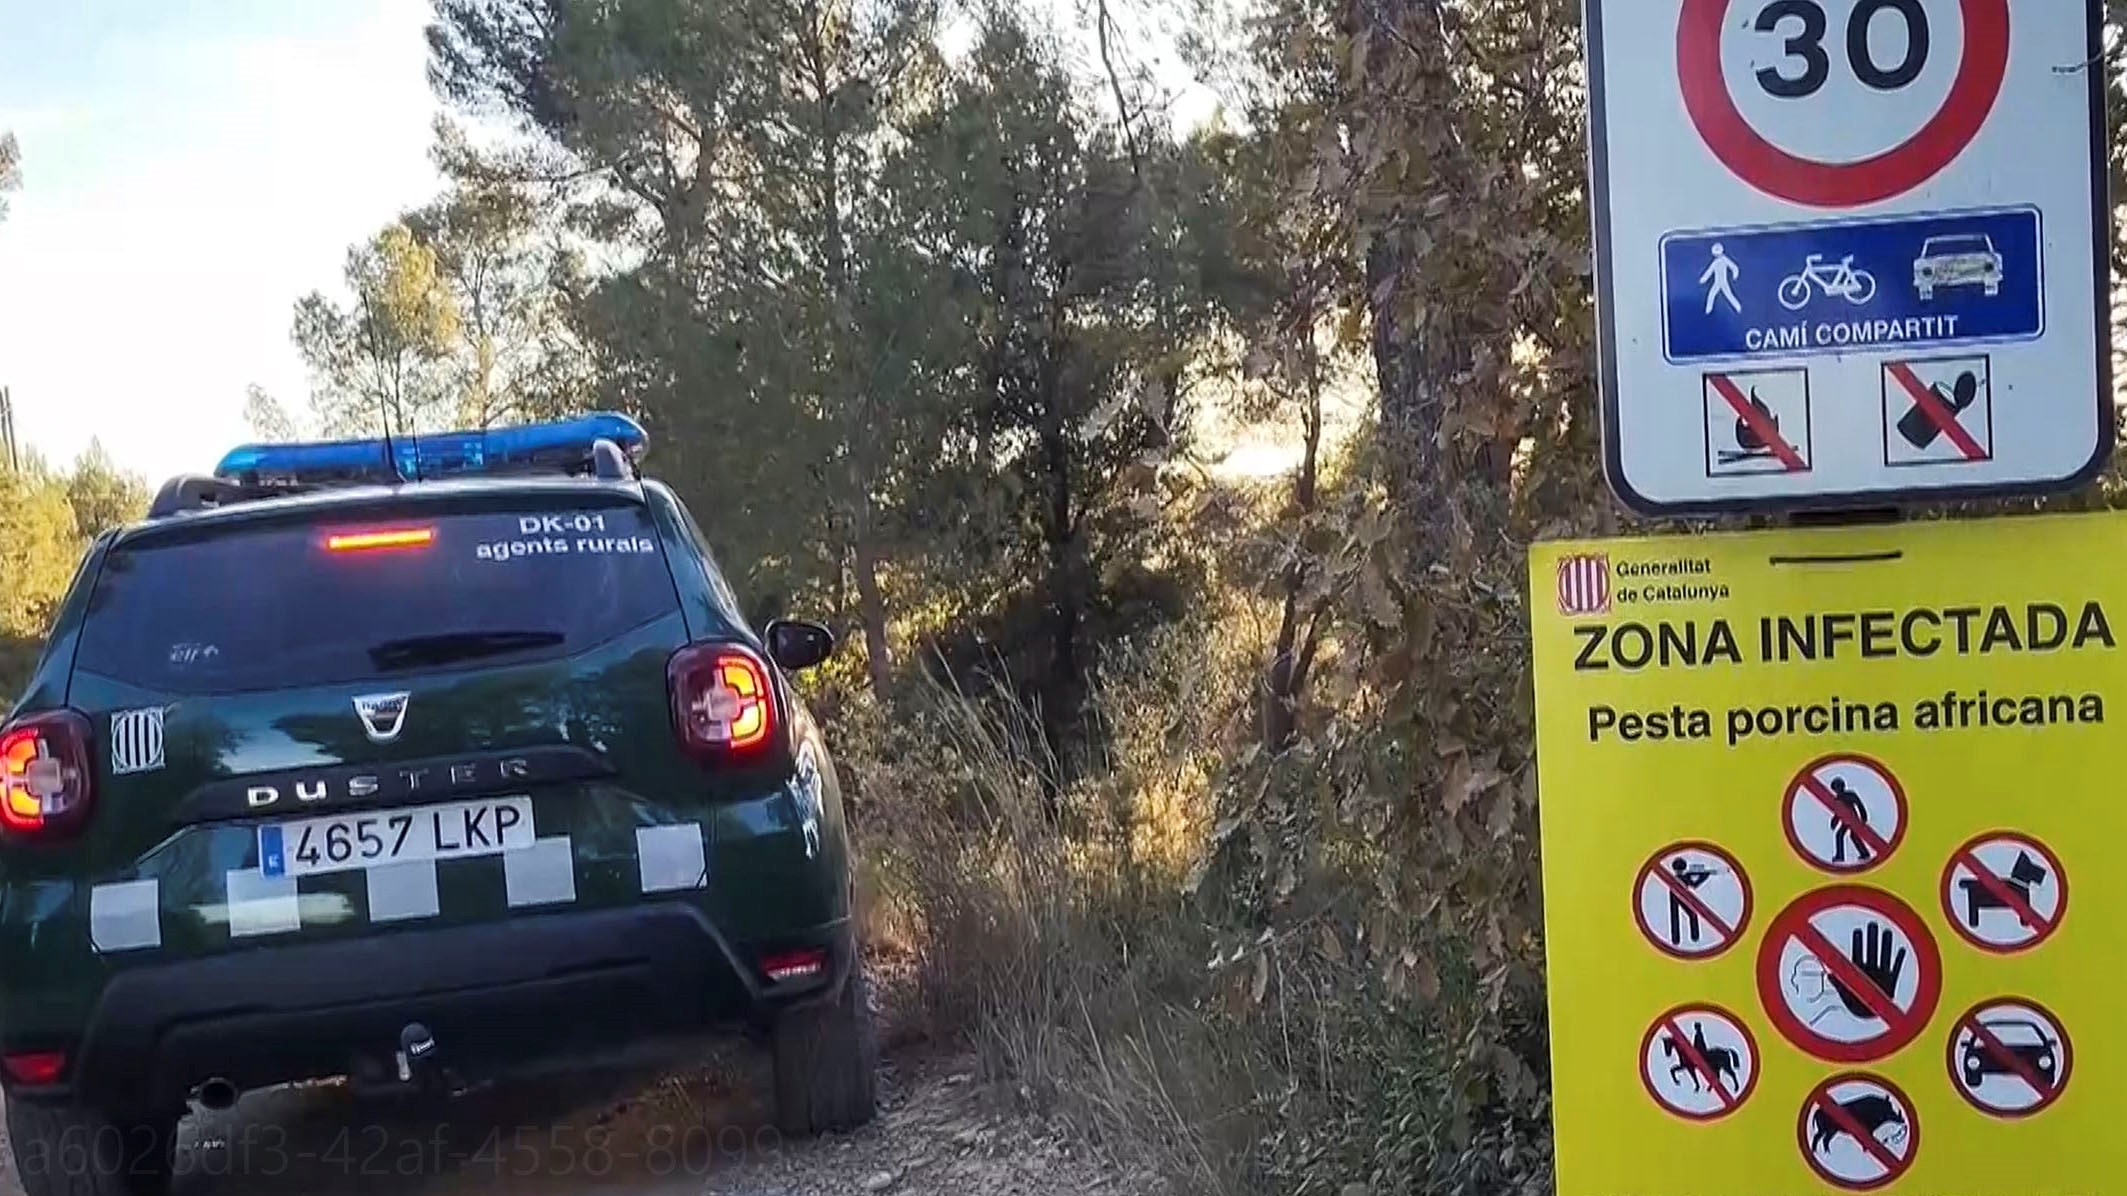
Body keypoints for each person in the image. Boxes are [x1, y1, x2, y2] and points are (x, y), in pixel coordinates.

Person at [1701, 243, 1742, 315]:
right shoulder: (1715, 262)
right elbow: (1709, 271)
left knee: (1728, 295)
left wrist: (1735, 274)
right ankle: (1708, 310)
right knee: (1711, 294)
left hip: (1723, 282)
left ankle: (1738, 307)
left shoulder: (1725, 260)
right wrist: (1704, 279)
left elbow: (1734, 267)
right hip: (1717, 282)